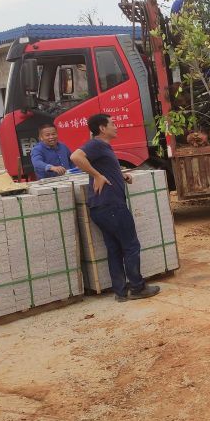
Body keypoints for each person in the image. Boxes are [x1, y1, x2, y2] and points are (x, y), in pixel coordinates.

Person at [70, 114, 161, 302]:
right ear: (102, 128)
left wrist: (120, 175)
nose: (116, 127)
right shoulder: (96, 144)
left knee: (114, 249)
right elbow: (75, 156)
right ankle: (137, 287)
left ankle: (120, 292)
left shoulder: (103, 147)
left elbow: (104, 169)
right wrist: (96, 175)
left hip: (101, 208)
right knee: (131, 246)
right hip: (112, 206)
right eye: (112, 124)